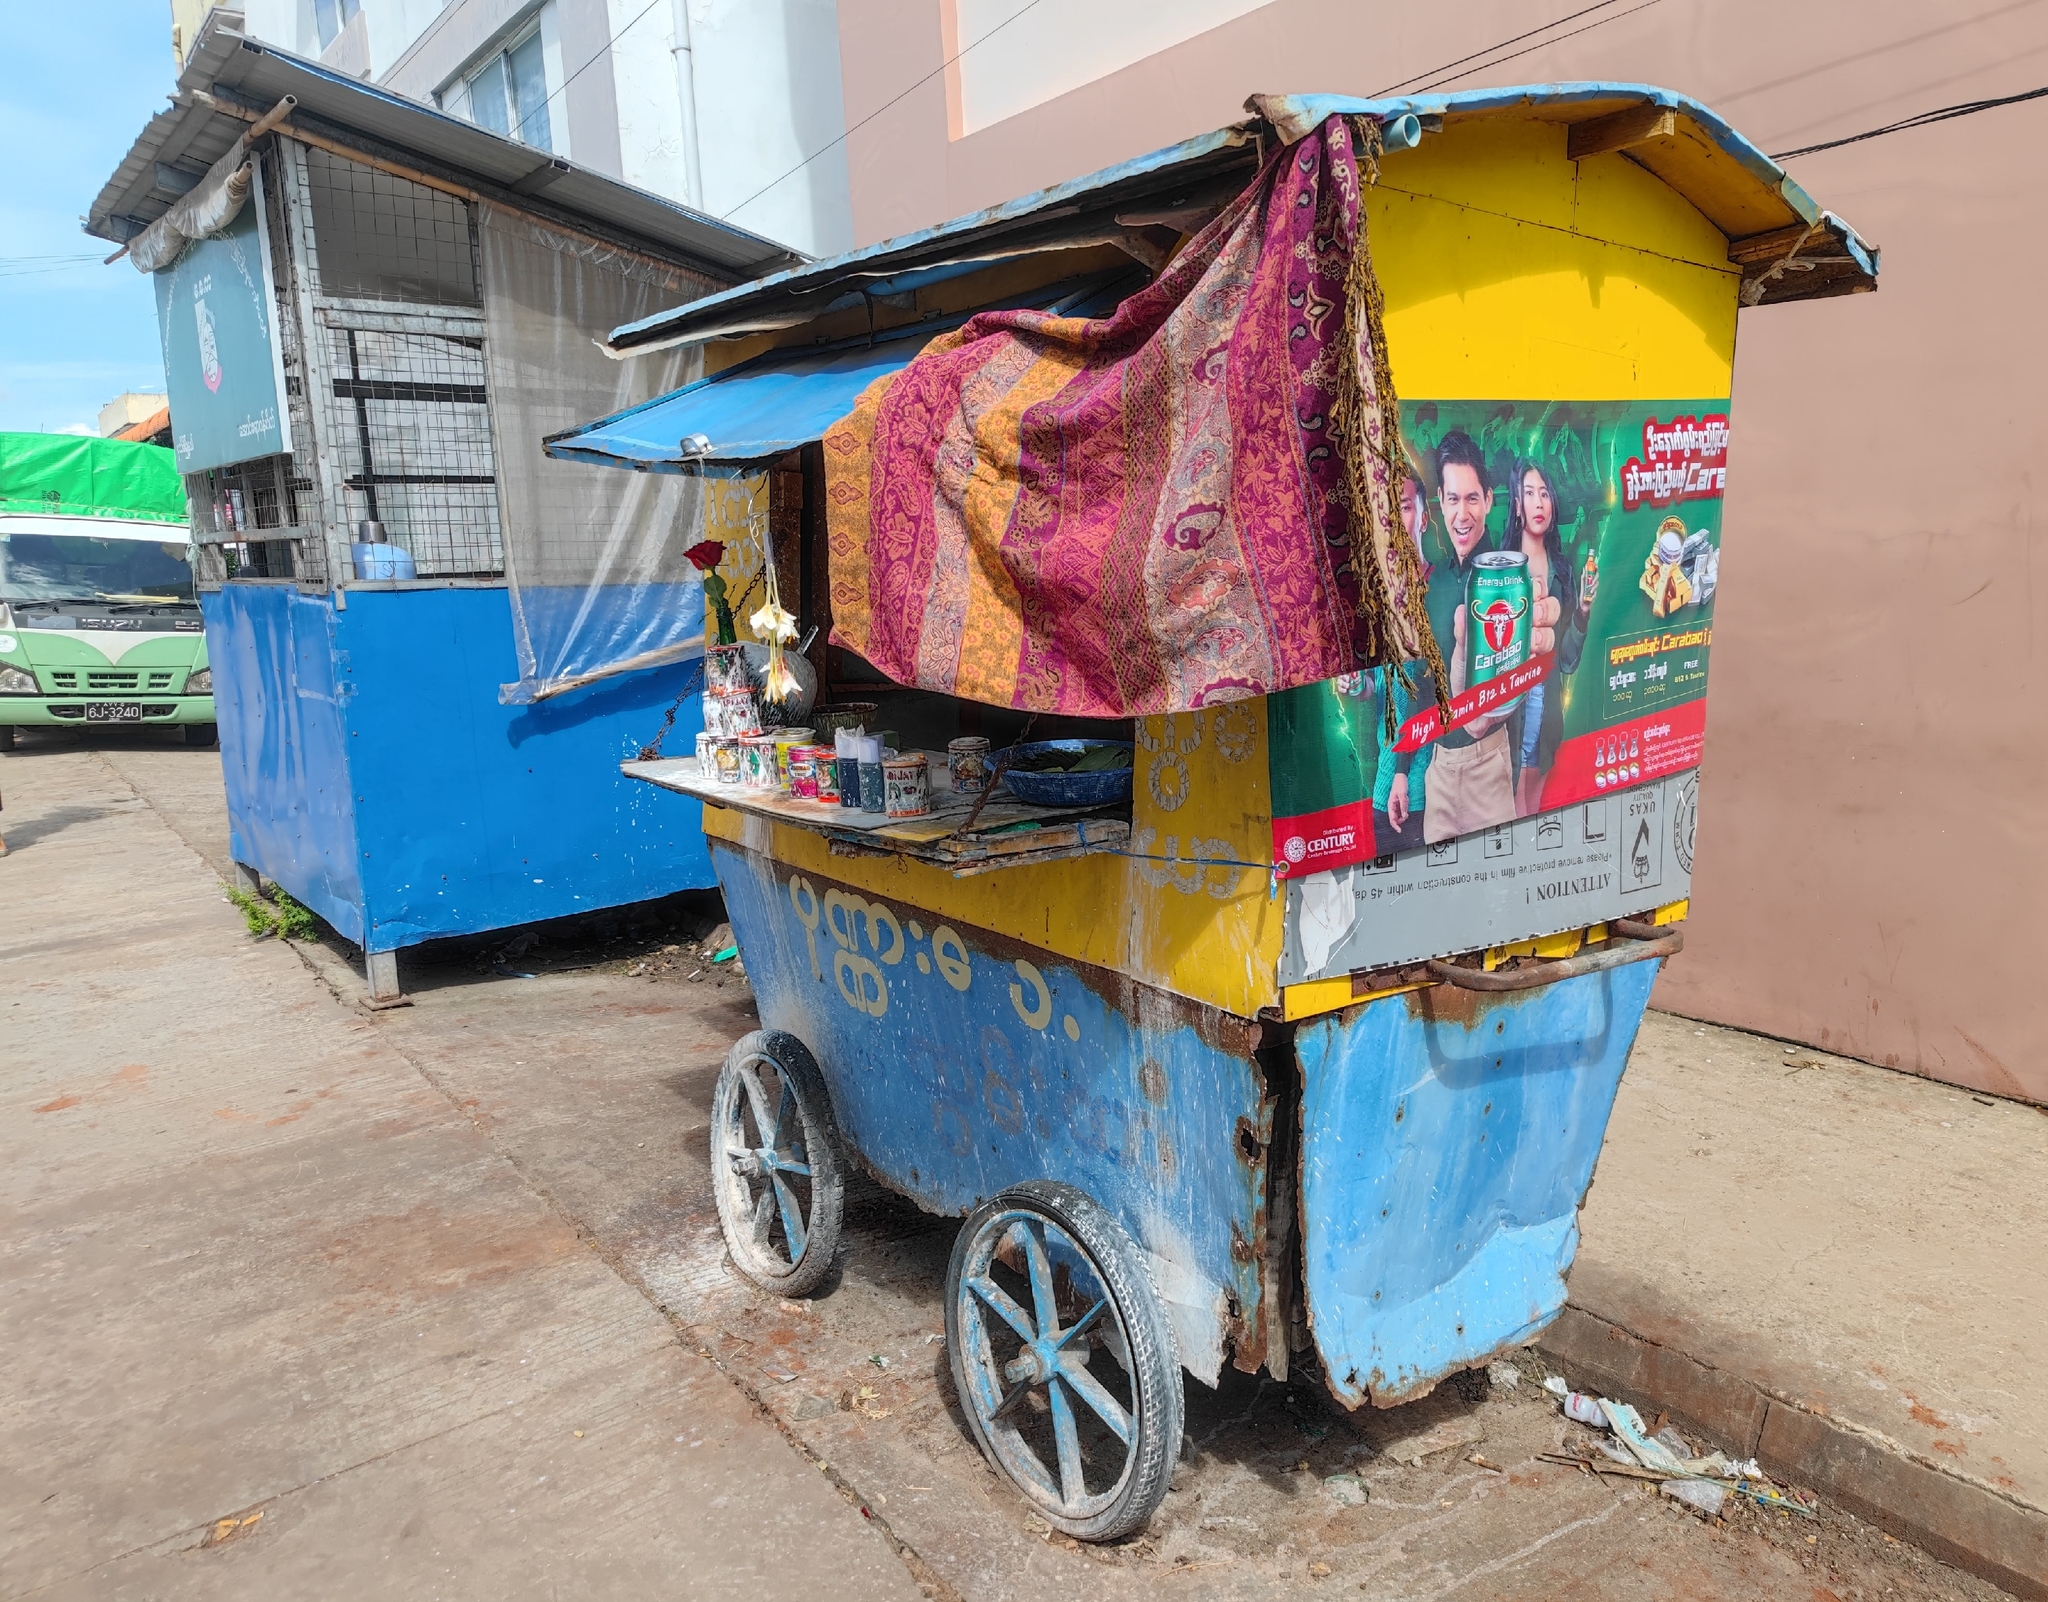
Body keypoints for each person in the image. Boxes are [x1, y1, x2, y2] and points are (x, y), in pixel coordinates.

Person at [1395, 431, 1561, 844]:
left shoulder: (1506, 576)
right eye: (1453, 499)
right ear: (1441, 504)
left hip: (1490, 765)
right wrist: (1401, 771)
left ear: (1488, 500)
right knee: (1442, 890)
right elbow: (1423, 682)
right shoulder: (1432, 587)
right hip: (1439, 768)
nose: (1462, 513)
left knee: (1497, 892)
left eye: (1472, 498)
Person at [1506, 459, 1594, 814]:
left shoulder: (1563, 570)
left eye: (1545, 493)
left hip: (1548, 724)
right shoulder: (1502, 568)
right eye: (1529, 493)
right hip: (1509, 721)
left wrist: (1583, 612)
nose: (1539, 503)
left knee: (1534, 813)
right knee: (1512, 813)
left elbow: (1568, 660)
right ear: (1516, 503)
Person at [1377, 461, 1434, 852]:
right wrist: (1359, 684)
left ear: (1424, 519)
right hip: (1384, 782)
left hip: (1420, 784)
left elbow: (1425, 689)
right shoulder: (1378, 597)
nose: (1396, 518)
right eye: (1388, 508)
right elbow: (1383, 689)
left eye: (1406, 505)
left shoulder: (1438, 590)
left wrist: (1402, 773)